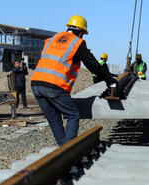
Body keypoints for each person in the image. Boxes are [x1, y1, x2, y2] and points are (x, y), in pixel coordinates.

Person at [31, 15, 118, 146]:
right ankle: (70, 150)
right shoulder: (77, 43)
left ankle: (64, 151)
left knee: (54, 120)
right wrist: (109, 80)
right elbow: (93, 65)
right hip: (55, 85)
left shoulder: (53, 39)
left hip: (36, 84)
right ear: (81, 32)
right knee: (72, 115)